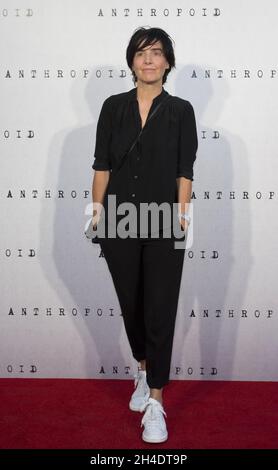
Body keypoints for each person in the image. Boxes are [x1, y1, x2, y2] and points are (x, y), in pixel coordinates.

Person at [91, 26, 198, 443]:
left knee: (159, 306)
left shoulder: (181, 110)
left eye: (156, 53)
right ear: (131, 61)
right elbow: (102, 165)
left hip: (163, 219)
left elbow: (184, 170)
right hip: (117, 218)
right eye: (141, 53)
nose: (148, 60)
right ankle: (142, 367)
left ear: (168, 62)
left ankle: (156, 400)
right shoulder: (112, 107)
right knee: (131, 303)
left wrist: (182, 216)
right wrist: (96, 213)